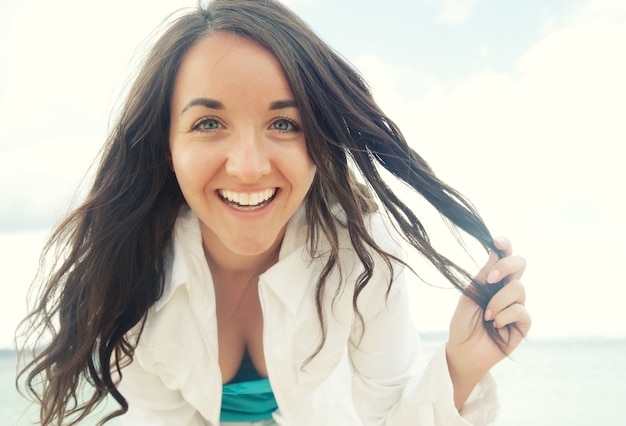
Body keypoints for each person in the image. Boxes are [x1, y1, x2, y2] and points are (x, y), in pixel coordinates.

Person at [16, 1, 531, 425]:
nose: (247, 167)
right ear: (165, 143)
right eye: (208, 123)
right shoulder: (127, 263)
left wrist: (460, 369)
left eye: (284, 124)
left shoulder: (361, 249)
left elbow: (386, 412)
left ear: (319, 139)